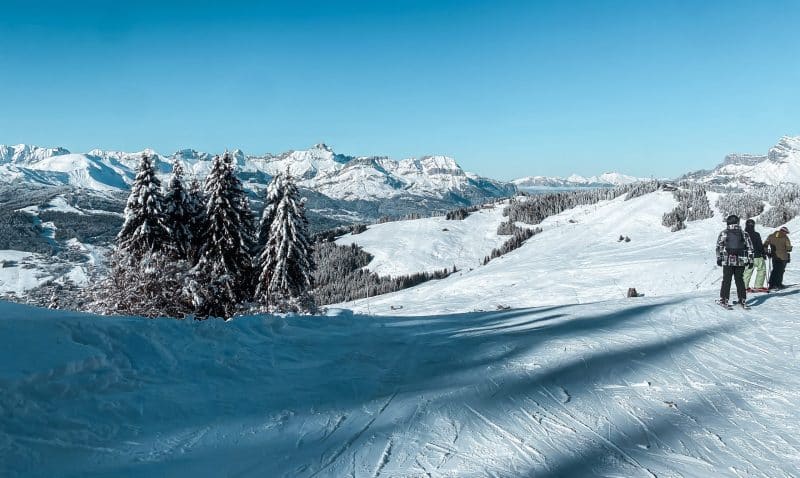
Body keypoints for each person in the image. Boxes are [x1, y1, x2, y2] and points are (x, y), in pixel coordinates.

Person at [716, 214, 754, 308]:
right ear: (737, 222)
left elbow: (719, 247)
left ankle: (724, 299)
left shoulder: (724, 233)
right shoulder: (744, 233)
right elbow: (750, 247)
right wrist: (751, 260)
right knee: (739, 280)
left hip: (727, 260)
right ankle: (742, 299)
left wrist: (719, 258)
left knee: (726, 280)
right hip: (741, 261)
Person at [764, 226, 792, 290]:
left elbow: (765, 244)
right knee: (781, 270)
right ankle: (778, 284)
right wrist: (789, 248)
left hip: (774, 256)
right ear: (784, 231)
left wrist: (767, 252)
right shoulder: (785, 237)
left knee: (775, 270)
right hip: (783, 257)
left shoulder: (771, 236)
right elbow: (788, 248)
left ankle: (771, 284)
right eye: (786, 232)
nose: (786, 234)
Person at [743, 219, 767, 291]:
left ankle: (744, 287)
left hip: (747, 256)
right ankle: (758, 286)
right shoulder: (756, 234)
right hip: (757, 255)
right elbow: (759, 245)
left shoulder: (743, 234)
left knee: (747, 271)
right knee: (761, 270)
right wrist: (763, 253)